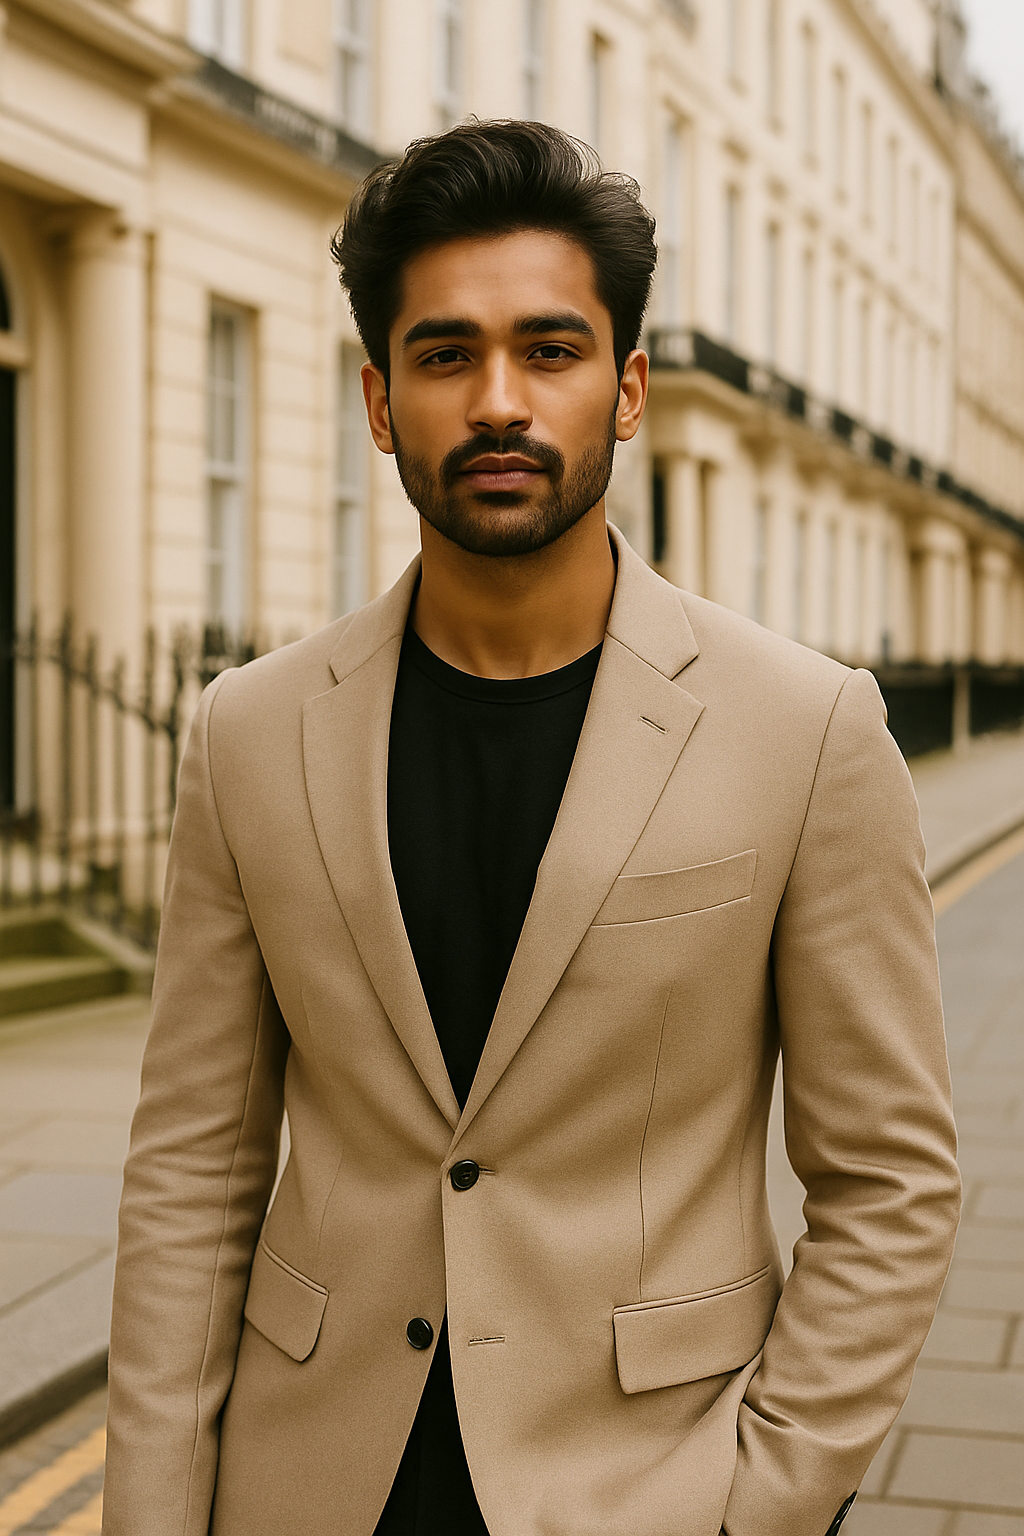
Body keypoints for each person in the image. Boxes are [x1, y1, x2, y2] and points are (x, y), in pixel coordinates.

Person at [102, 120, 960, 1536]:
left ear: (626, 391)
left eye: (550, 351)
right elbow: (194, 1171)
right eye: (445, 357)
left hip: (649, 1491)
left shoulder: (806, 731)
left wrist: (765, 1498)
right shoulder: (247, 735)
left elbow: (888, 1180)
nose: (499, 400)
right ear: (380, 402)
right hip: (309, 1484)